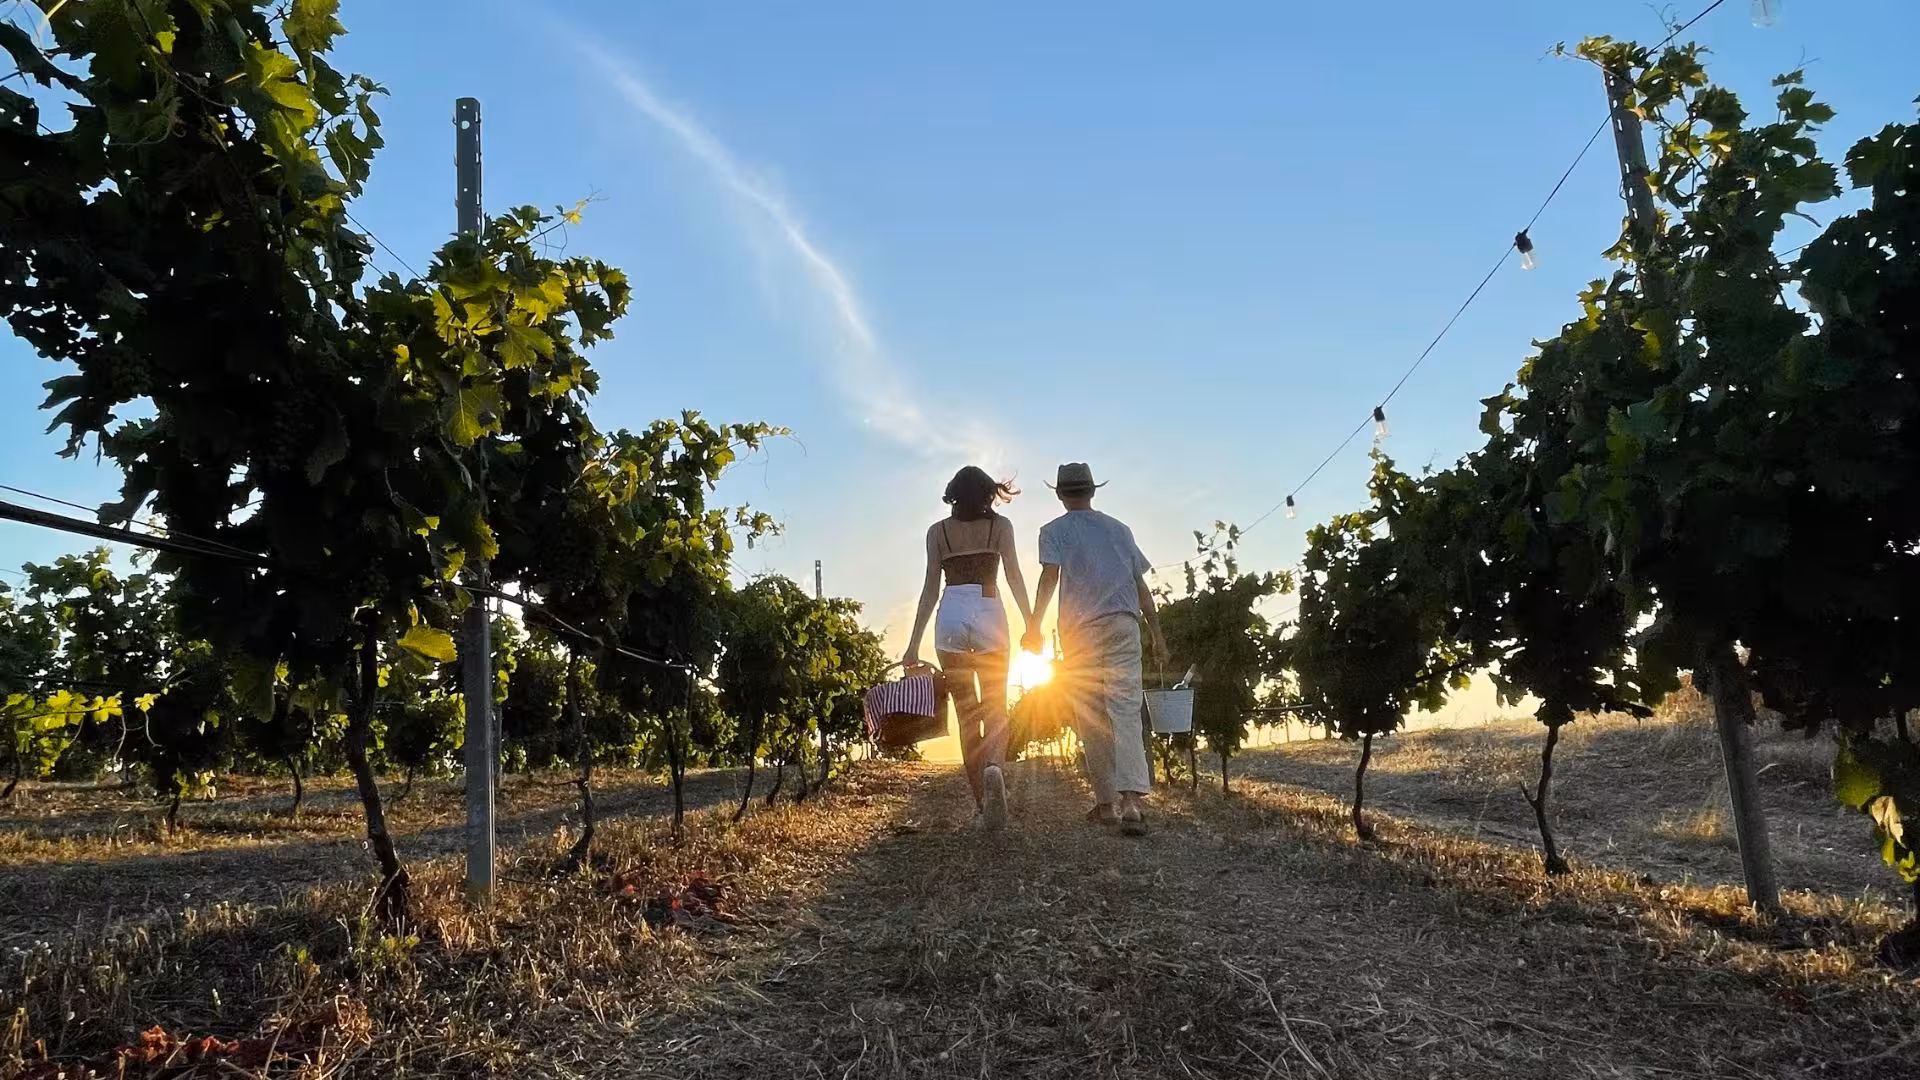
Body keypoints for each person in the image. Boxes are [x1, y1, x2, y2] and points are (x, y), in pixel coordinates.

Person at [1024, 462, 1167, 836]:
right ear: (1093, 491)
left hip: (1080, 630)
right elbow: (1139, 585)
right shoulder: (1120, 530)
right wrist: (1158, 634)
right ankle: (1132, 804)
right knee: (1126, 712)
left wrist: (1033, 626)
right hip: (1123, 623)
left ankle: (1106, 805)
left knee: (1091, 716)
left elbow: (1049, 578)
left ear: (1059, 494)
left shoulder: (1052, 532)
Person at [904, 466, 1035, 830]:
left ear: (953, 495)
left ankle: (981, 805)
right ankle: (995, 766)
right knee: (995, 706)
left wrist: (913, 643)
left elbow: (929, 589)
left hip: (951, 615)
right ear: (988, 494)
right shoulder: (1000, 528)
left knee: (966, 714)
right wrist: (1032, 623)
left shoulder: (938, 533)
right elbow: (1013, 576)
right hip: (990, 609)